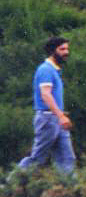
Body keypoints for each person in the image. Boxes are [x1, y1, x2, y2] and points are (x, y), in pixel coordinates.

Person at [11, 36, 76, 184]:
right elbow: (45, 95)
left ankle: (69, 190)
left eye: (67, 49)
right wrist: (60, 115)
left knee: (67, 157)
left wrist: (60, 115)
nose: (66, 52)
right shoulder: (45, 69)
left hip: (56, 119)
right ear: (53, 51)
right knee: (37, 158)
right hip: (48, 119)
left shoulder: (54, 70)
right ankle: (9, 186)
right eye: (62, 49)